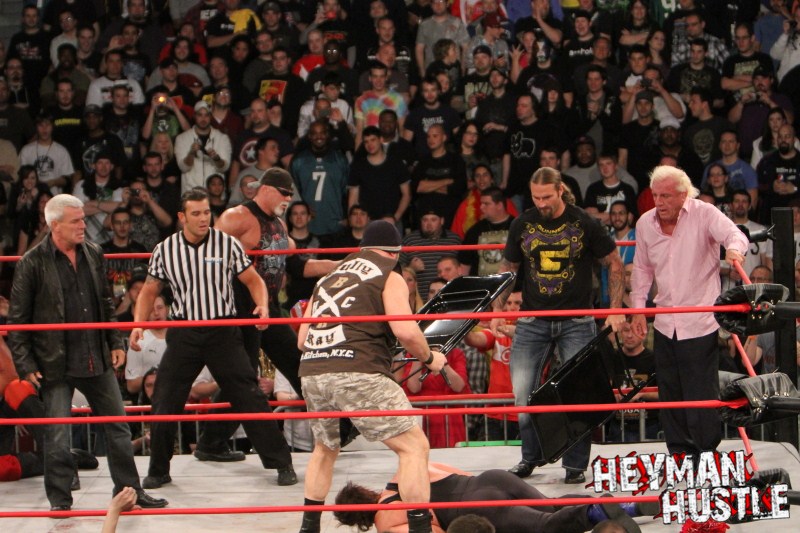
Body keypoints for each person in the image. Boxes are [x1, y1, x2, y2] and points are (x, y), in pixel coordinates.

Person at [7, 194, 167, 512]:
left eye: (83, 219)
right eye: (76, 221)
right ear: (55, 226)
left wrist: (115, 343)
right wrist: (25, 364)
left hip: (95, 356)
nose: (83, 225)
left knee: (118, 426)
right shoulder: (32, 262)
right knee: (57, 434)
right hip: (54, 362)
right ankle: (60, 500)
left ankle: (130, 493)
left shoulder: (93, 252)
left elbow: (105, 303)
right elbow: (17, 320)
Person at [129, 188, 297, 489]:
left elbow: (253, 280)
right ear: (182, 217)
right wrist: (138, 324)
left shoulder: (227, 244)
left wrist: (262, 305)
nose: (203, 218)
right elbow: (149, 290)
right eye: (196, 213)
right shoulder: (165, 249)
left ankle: (281, 463)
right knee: (165, 397)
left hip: (222, 331)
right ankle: (158, 469)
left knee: (249, 394)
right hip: (185, 332)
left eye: (206, 212)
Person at [296, 220, 447, 533]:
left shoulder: (328, 278)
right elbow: (406, 331)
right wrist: (430, 358)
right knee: (414, 447)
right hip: (358, 368)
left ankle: (308, 529)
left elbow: (302, 339)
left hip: (313, 370)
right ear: (395, 253)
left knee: (325, 450)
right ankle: (420, 529)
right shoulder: (387, 275)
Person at [194, 169, 338, 460]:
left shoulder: (280, 226)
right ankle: (211, 443)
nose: (288, 199)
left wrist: (343, 263)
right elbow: (206, 259)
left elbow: (298, 266)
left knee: (297, 363)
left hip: (267, 308)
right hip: (238, 310)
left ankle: (338, 428)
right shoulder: (237, 217)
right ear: (268, 189)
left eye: (291, 194)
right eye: (285, 193)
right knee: (244, 378)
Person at [493, 167, 625, 483]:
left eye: (547, 197)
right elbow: (509, 266)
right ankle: (530, 457)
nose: (541, 203)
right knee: (523, 392)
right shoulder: (522, 223)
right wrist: (497, 308)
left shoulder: (584, 222)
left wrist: (615, 310)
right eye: (536, 197)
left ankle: (575, 466)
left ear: (560, 190)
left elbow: (614, 262)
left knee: (579, 392)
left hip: (577, 319)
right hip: (533, 319)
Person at [630, 165, 748, 463]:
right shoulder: (645, 223)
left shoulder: (704, 214)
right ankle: (679, 453)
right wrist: (638, 311)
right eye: (656, 195)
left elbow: (734, 234)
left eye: (666, 196)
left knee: (700, 391)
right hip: (665, 320)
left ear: (684, 195)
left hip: (699, 319)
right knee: (670, 390)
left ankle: (706, 452)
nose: (659, 202)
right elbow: (642, 269)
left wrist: (734, 251)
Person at [334, 462, 655, 533]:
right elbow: (456, 472)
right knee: (549, 503)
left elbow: (439, 532)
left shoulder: (385, 522)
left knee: (544, 525)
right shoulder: (401, 471)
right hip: (489, 479)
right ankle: (626, 505)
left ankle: (594, 513)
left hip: (478, 508)